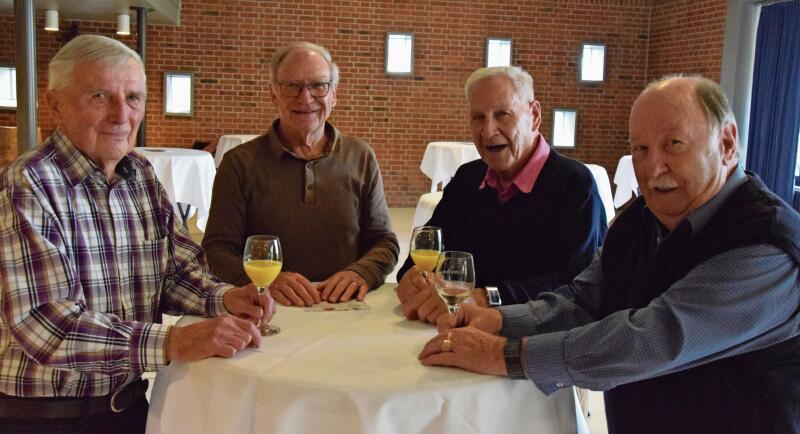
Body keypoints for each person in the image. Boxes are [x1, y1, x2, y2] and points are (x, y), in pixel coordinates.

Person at [419, 75, 800, 434]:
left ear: (728, 145)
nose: (653, 167)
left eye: (674, 144)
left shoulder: (765, 245)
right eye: (640, 148)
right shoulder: (640, 221)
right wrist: (500, 320)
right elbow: (585, 299)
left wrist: (506, 354)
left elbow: (654, 338)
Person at [0, 35, 274, 433]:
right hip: (44, 419)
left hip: (127, 407)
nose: (121, 115)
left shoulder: (141, 175)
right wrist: (173, 342)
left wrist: (224, 298)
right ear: (54, 104)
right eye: (99, 96)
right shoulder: (27, 186)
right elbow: (46, 325)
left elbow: (176, 275)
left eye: (133, 97)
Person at [396, 66, 607, 323]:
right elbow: (430, 247)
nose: (488, 130)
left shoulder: (574, 185)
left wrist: (487, 297)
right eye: (478, 117)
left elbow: (577, 286)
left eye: (502, 114)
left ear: (535, 115)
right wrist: (413, 276)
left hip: (530, 342)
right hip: (453, 327)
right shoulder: (467, 179)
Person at [203, 42, 399, 307]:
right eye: (292, 86)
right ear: (273, 94)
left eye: (318, 85)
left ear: (333, 94)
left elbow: (383, 242)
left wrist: (360, 272)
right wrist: (265, 281)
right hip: (267, 309)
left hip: (343, 309)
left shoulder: (360, 156)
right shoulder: (239, 163)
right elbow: (216, 252)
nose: (305, 98)